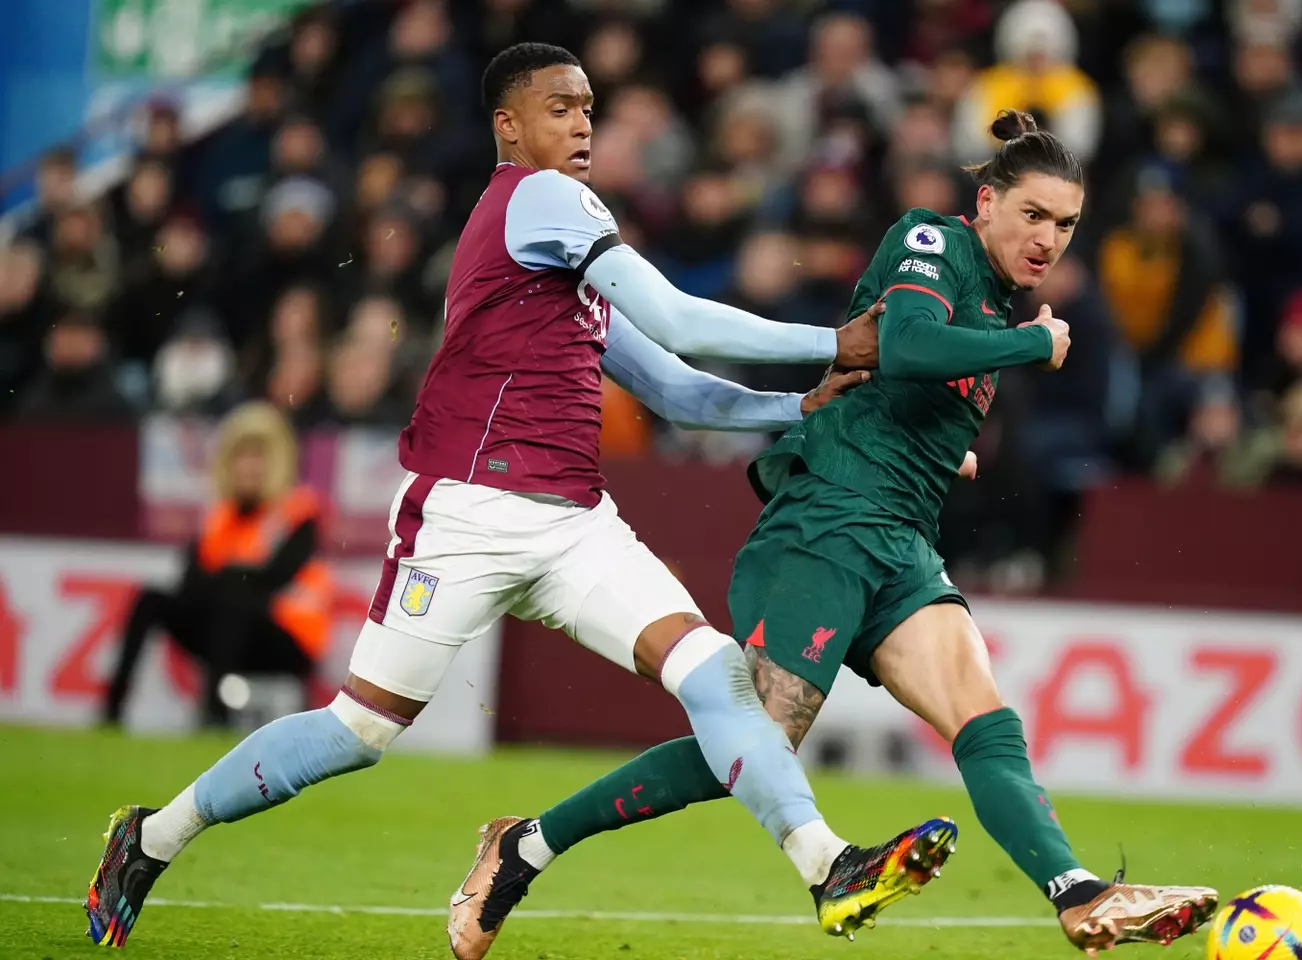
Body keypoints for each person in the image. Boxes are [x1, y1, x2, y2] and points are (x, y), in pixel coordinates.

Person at [84, 43, 956, 951]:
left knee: (714, 673)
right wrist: (844, 343)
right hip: (465, 511)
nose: (582, 124)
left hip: (575, 523)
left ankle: (827, 866)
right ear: (509, 126)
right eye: (560, 108)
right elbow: (684, 320)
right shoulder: (543, 200)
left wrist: (801, 406)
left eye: (588, 107)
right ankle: (150, 837)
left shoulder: (569, 254)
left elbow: (677, 390)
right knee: (359, 730)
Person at [458, 110, 1219, 958]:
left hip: (900, 540)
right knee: (755, 745)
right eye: (1033, 214)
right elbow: (905, 339)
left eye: (1067, 224)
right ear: (988, 200)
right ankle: (524, 847)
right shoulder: (933, 241)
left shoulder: (1000, 310)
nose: (1048, 239)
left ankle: (1076, 891)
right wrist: (1032, 345)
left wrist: (946, 454)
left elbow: (909, 396)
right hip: (824, 521)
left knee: (984, 718)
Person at [102, 402, 332, 728]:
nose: (249, 467)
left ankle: (212, 717)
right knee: (151, 598)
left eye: (259, 457)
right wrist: (224, 579)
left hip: (287, 638)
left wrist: (224, 577)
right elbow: (189, 583)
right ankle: (111, 711)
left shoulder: (298, 513)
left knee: (232, 600)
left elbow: (274, 579)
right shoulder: (218, 517)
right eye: (242, 456)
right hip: (224, 628)